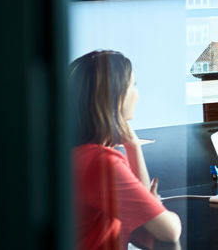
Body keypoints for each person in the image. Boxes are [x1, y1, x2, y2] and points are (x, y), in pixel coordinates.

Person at [72, 50, 181, 249]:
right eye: (133, 85)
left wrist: (132, 144)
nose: (138, 94)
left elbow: (145, 216)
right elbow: (169, 231)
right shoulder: (102, 163)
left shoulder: (81, 154)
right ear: (116, 98)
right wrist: (156, 206)